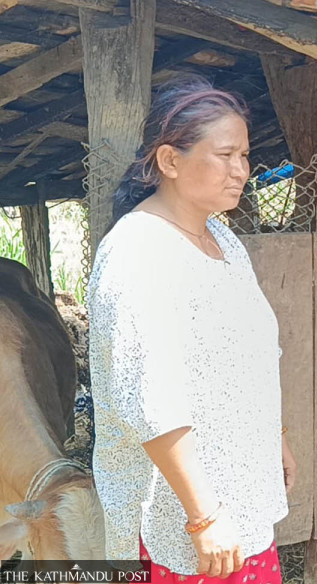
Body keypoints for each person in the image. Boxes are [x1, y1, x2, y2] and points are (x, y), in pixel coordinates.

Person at [88, 76, 295, 582]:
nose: (241, 171)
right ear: (170, 161)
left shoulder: (224, 241)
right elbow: (150, 398)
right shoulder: (138, 252)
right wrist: (202, 515)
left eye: (245, 156)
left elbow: (250, 355)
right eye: (225, 154)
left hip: (237, 500)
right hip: (180, 516)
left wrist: (275, 437)